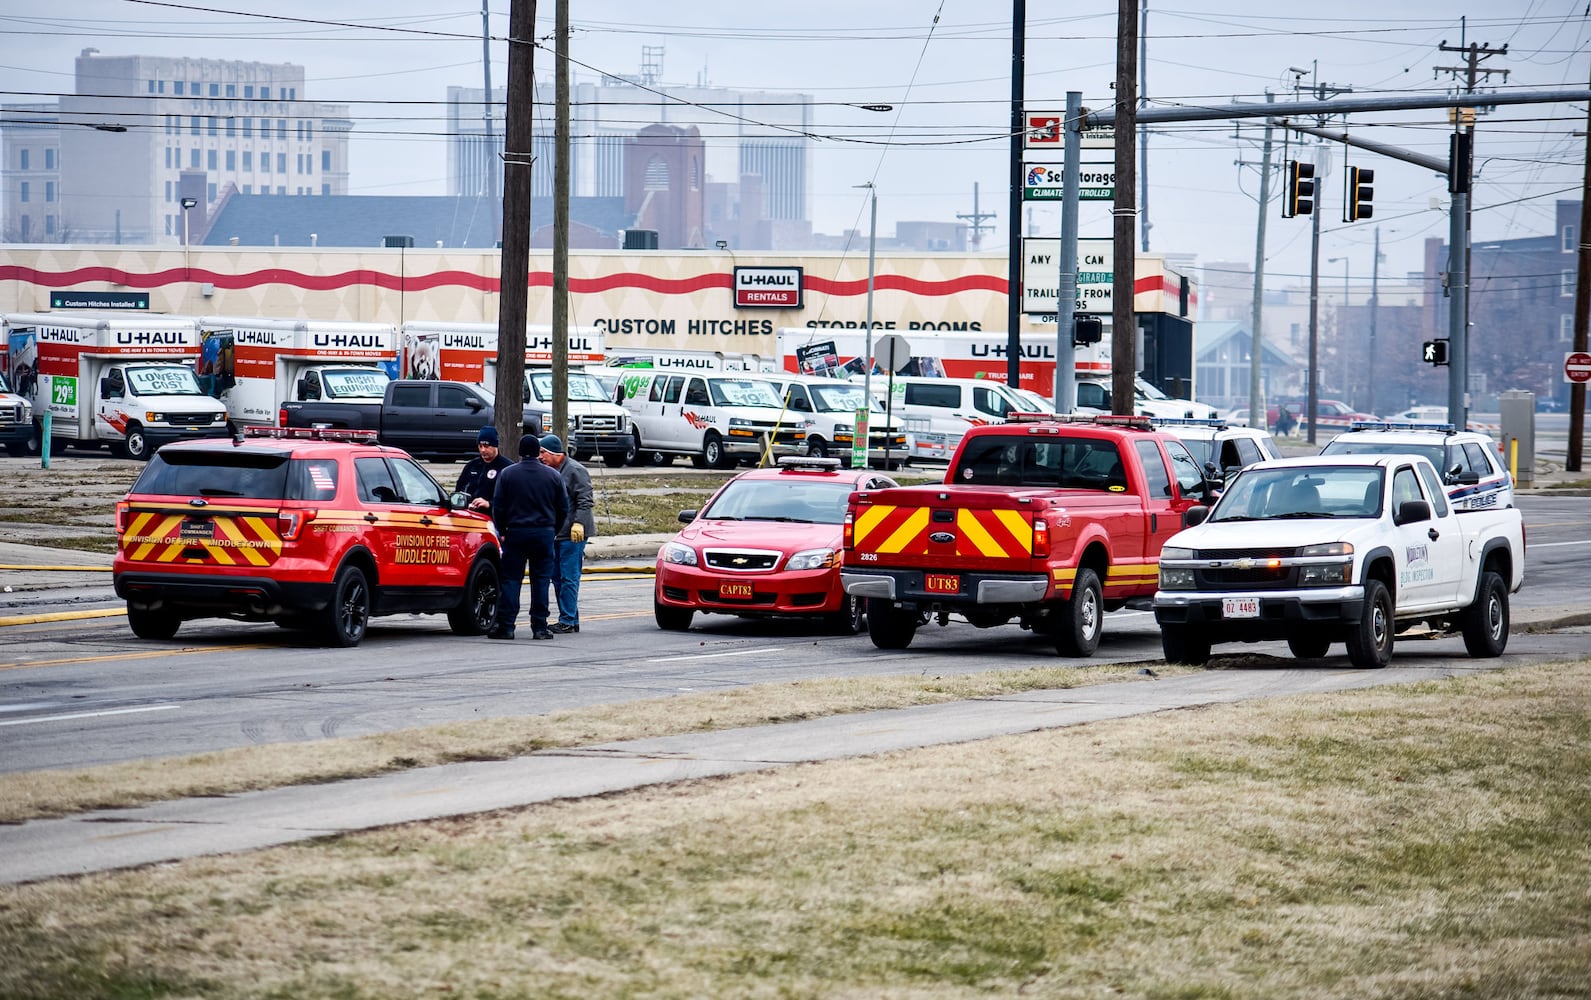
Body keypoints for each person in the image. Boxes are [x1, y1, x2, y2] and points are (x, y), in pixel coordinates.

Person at [488, 433, 568, 641]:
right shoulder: (553, 476)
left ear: (520, 452)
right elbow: (563, 508)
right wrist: (553, 529)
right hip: (544, 534)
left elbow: (498, 506)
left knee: (511, 580)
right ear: (537, 453)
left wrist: (502, 531)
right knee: (541, 580)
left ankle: (506, 626)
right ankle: (540, 627)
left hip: (516, 533)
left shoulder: (507, 474)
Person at [538, 433, 595, 634]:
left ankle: (567, 621)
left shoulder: (575, 471)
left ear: (556, 453)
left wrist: (578, 523)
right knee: (558, 577)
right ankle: (571, 617)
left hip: (573, 534)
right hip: (556, 532)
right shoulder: (549, 471)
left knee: (569, 577)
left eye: (543, 452)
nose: (540, 457)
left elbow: (585, 500)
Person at [455, 425, 511, 512]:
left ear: (495, 445)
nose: (483, 450)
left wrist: (489, 504)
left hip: (493, 518)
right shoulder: (472, 466)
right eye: (480, 446)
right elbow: (459, 490)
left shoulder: (507, 468)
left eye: (486, 446)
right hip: (469, 514)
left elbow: (512, 499)